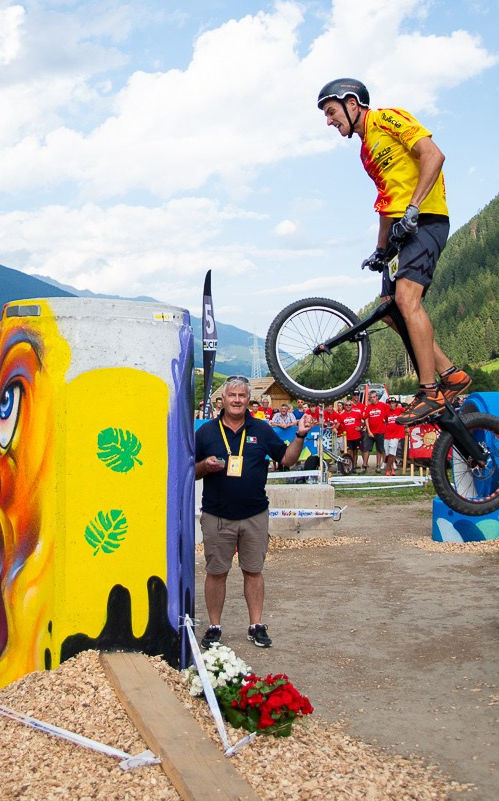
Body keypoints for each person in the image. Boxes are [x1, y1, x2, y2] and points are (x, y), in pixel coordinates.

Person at [315, 78, 471, 423]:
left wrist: (414, 209)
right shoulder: (365, 150)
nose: (328, 121)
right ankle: (451, 375)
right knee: (389, 310)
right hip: (400, 229)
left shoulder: (388, 118)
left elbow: (434, 155)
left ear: (352, 103)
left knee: (407, 300)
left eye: (330, 112)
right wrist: (380, 249)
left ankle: (430, 391)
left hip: (426, 220)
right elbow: (386, 200)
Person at [193, 375, 306, 649]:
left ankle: (256, 625)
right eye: (232, 395)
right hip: (217, 515)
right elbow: (189, 472)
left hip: (255, 514)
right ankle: (214, 626)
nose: (236, 400)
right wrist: (205, 466)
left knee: (253, 571)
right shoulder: (206, 432)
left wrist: (300, 434)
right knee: (216, 571)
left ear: (248, 400)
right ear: (222, 399)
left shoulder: (262, 429)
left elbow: (287, 460)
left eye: (242, 396)